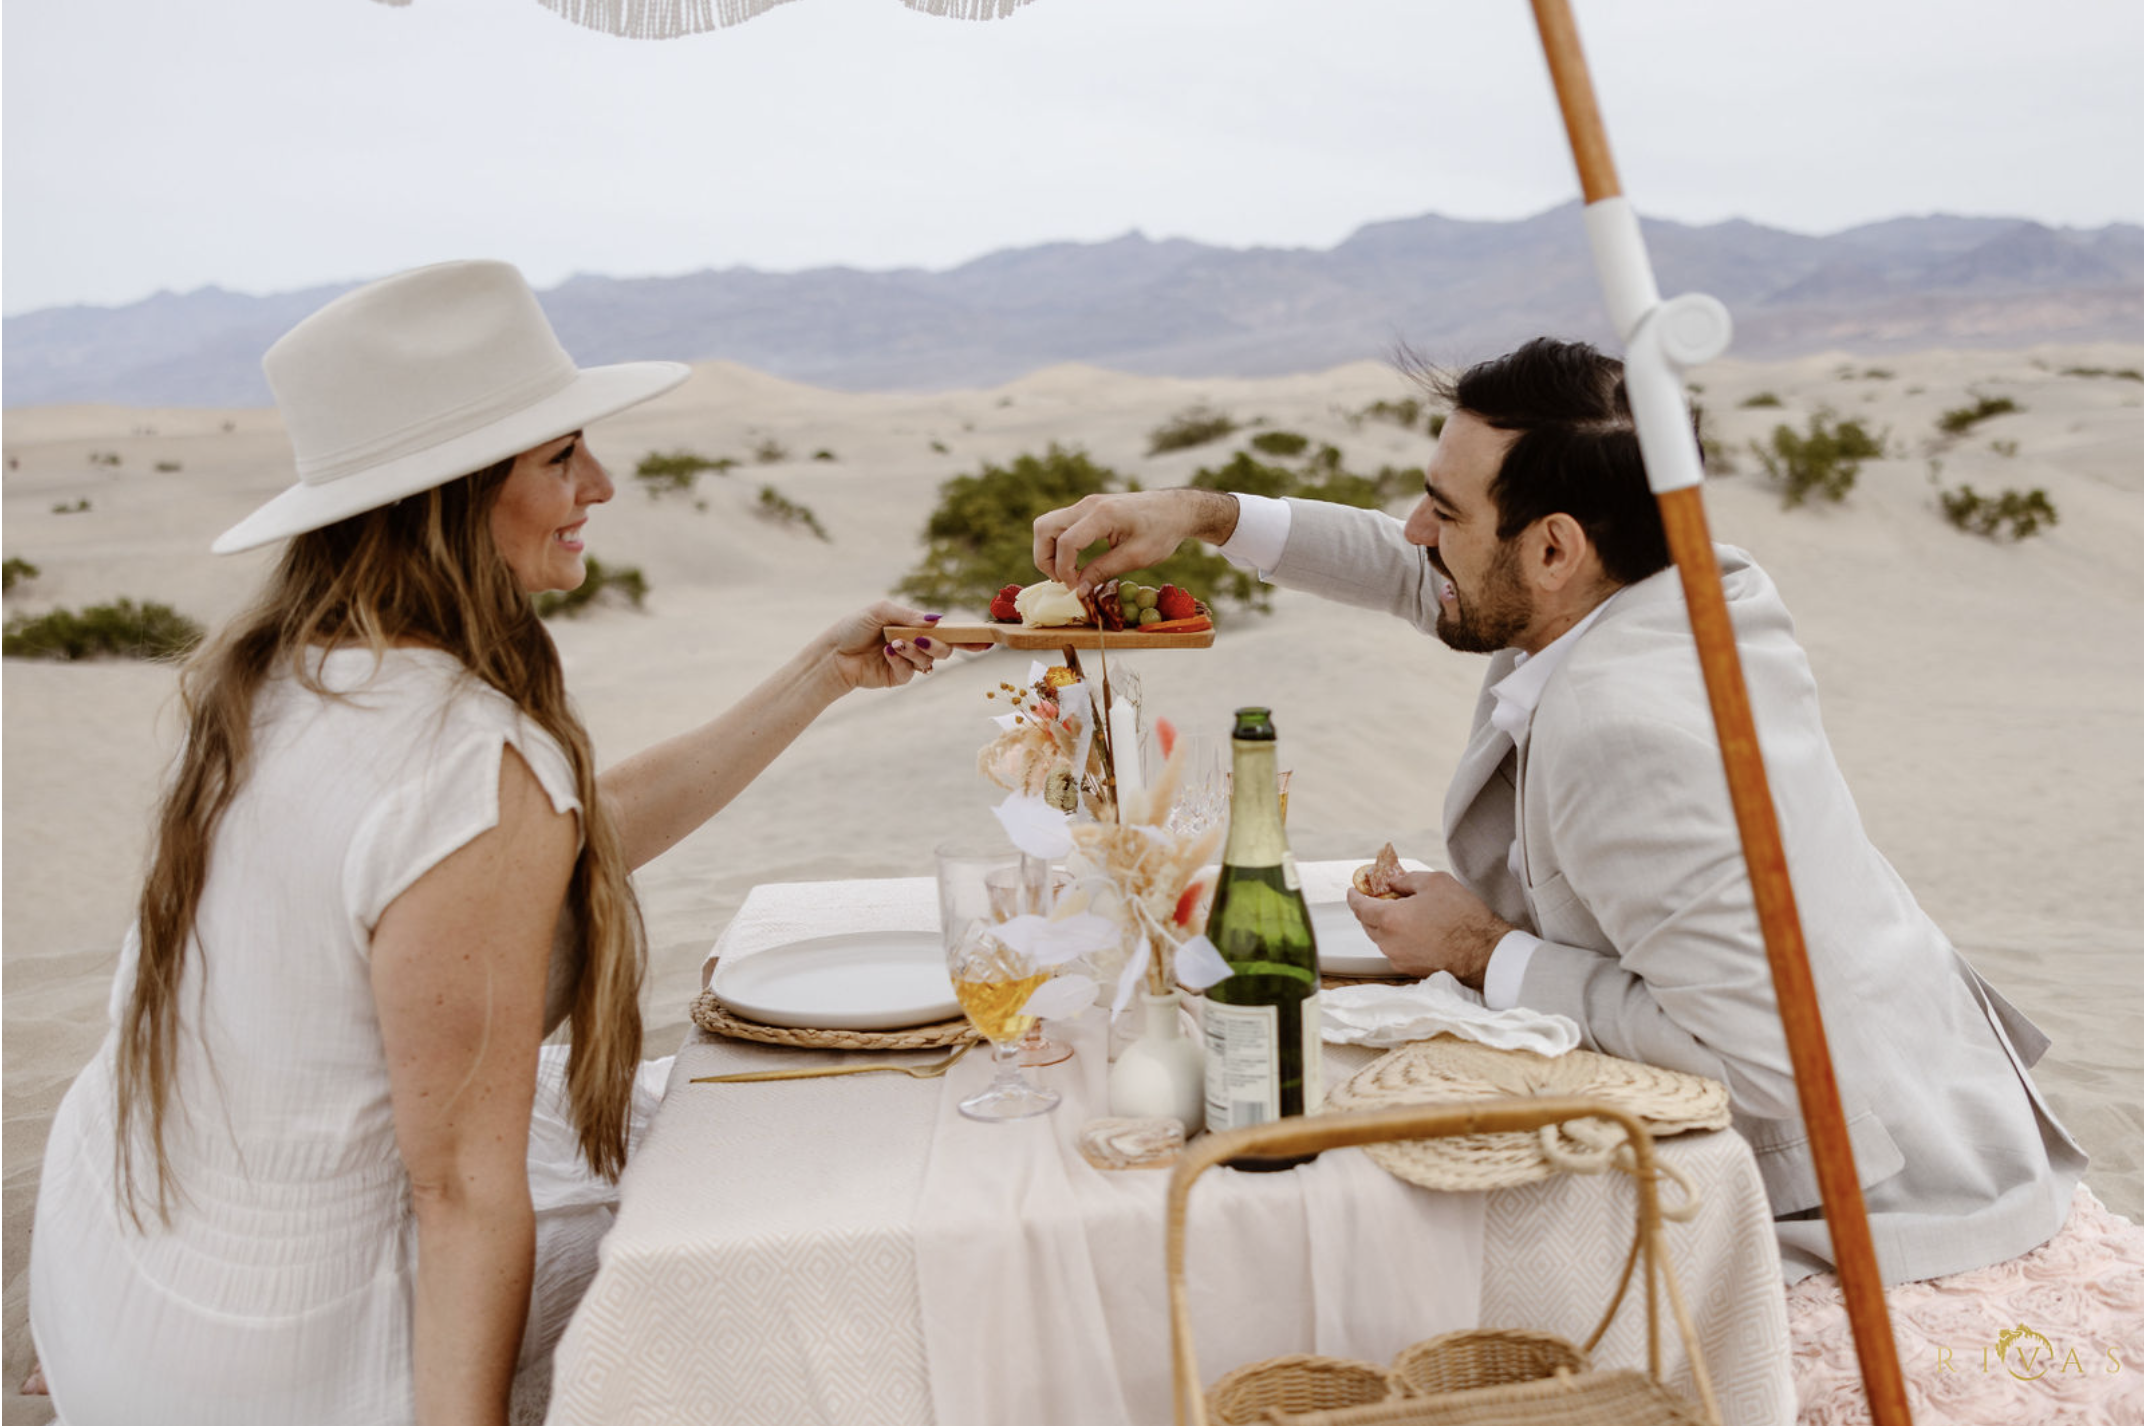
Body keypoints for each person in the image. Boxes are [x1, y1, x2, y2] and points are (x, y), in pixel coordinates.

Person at [27, 260, 959, 1425]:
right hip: (298, 1357)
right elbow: (461, 1188)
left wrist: (817, 676)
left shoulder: (272, 685)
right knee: (782, 1243)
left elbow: (543, 853)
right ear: (456, 494)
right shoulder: (459, 753)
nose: (602, 483)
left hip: (126, 1273)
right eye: (560, 457)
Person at [1032, 337, 2084, 1285]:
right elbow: (1426, 580)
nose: (1413, 532)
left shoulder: (1625, 728)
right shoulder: (1675, 581)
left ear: (1552, 550)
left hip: (1873, 1182)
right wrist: (1206, 516)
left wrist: (1484, 949)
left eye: (1441, 512)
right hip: (1937, 1076)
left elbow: (1755, 1059)